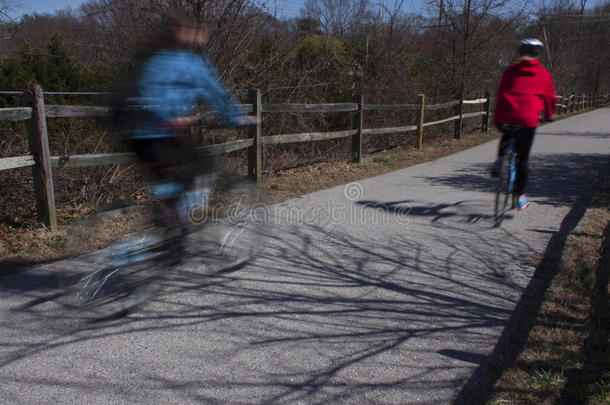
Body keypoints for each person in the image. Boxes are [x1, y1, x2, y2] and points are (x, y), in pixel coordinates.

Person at [115, 9, 256, 226]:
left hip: (137, 136)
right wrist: (237, 119)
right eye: (197, 31)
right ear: (186, 33)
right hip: (161, 135)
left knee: (169, 183)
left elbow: (146, 92)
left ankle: (168, 239)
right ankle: (172, 217)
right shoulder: (193, 63)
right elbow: (217, 95)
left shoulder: (155, 57)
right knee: (203, 162)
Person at [491, 38, 557, 210]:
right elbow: (550, 98)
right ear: (537, 55)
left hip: (504, 116)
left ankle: (499, 161)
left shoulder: (509, 71)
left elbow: (500, 92)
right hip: (527, 120)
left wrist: (499, 113)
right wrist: (549, 115)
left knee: (508, 132)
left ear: (520, 53)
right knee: (522, 159)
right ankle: (520, 196)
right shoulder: (544, 75)